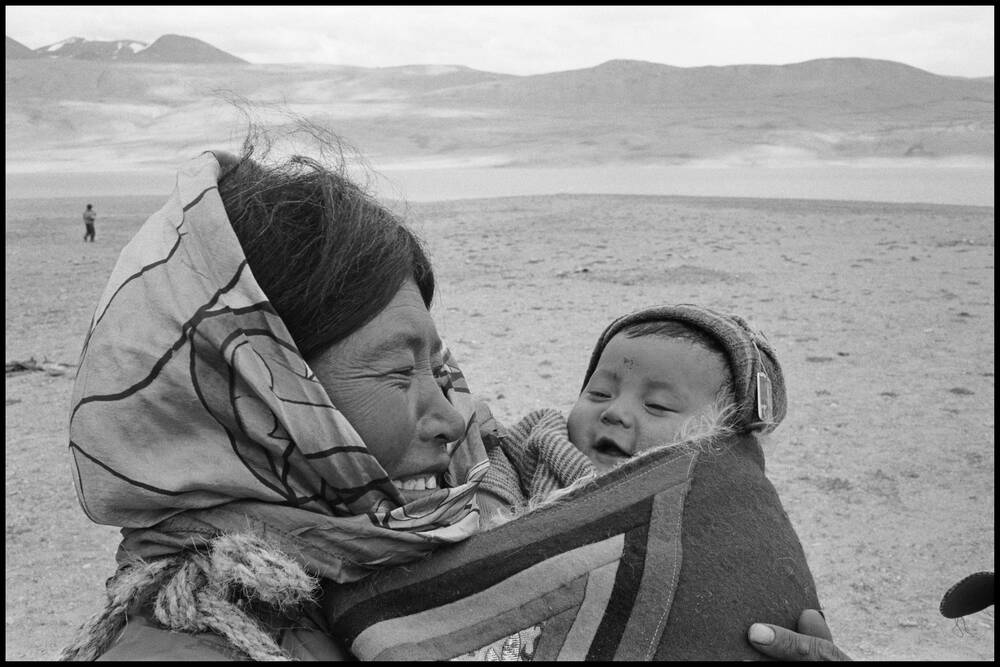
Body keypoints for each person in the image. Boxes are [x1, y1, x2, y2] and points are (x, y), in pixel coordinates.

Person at [60, 132, 848, 661]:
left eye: (443, 371)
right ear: (266, 401)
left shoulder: (398, 551)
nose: (453, 418)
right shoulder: (200, 642)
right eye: (401, 375)